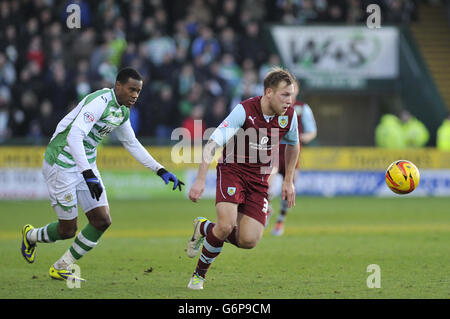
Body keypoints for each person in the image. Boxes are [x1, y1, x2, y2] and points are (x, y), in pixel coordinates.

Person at [21, 67, 184, 282]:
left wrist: (160, 169)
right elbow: (74, 137)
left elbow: (131, 143)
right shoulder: (99, 102)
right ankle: (30, 235)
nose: (135, 95)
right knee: (68, 229)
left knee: (102, 220)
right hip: (61, 163)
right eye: (131, 89)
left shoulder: (122, 110)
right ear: (118, 86)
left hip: (85, 165)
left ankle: (62, 266)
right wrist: (88, 174)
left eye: (139, 91)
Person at [186, 67, 300, 290]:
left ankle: (203, 228)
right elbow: (214, 143)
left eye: (292, 95)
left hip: (259, 180)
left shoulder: (289, 115)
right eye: (285, 95)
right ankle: (198, 276)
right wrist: (200, 179)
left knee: (249, 240)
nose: (290, 100)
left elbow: (293, 144)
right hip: (233, 171)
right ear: (268, 92)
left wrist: (288, 181)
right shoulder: (244, 110)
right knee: (226, 225)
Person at [269, 80, 317, 236]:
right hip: (275, 153)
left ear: (297, 90)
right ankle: (265, 210)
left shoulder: (303, 108)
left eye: (292, 88)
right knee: (267, 187)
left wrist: (303, 137)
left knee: (288, 191)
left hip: (292, 155)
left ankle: (280, 222)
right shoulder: (276, 106)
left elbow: (312, 131)